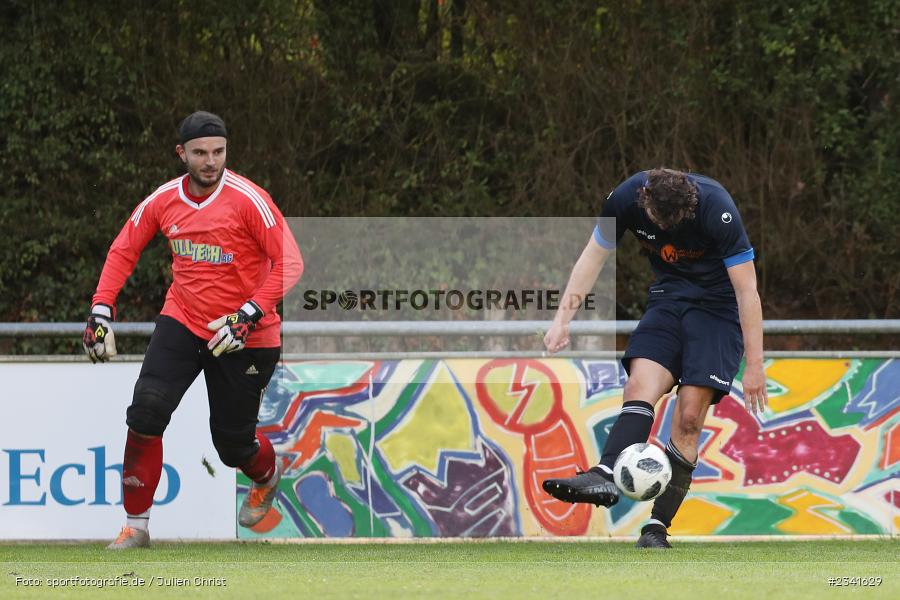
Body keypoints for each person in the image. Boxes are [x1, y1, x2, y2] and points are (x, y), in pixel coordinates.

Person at [82, 111, 303, 549]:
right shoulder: (163, 199)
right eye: (200, 153)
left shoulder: (249, 200)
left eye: (218, 152)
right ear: (181, 153)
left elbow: (291, 263)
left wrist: (248, 314)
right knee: (145, 412)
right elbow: (124, 248)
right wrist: (101, 308)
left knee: (232, 447)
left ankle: (267, 475)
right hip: (183, 321)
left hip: (246, 336)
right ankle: (136, 528)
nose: (210, 161)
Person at [541, 168, 766, 548]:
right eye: (660, 223)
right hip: (668, 297)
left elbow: (747, 291)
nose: (669, 230)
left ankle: (656, 527)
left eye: (676, 222)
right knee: (639, 383)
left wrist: (755, 366)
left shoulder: (718, 208)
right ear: (644, 202)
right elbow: (592, 257)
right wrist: (562, 319)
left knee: (690, 416)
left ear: (689, 205)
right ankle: (603, 474)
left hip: (718, 308)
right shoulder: (624, 199)